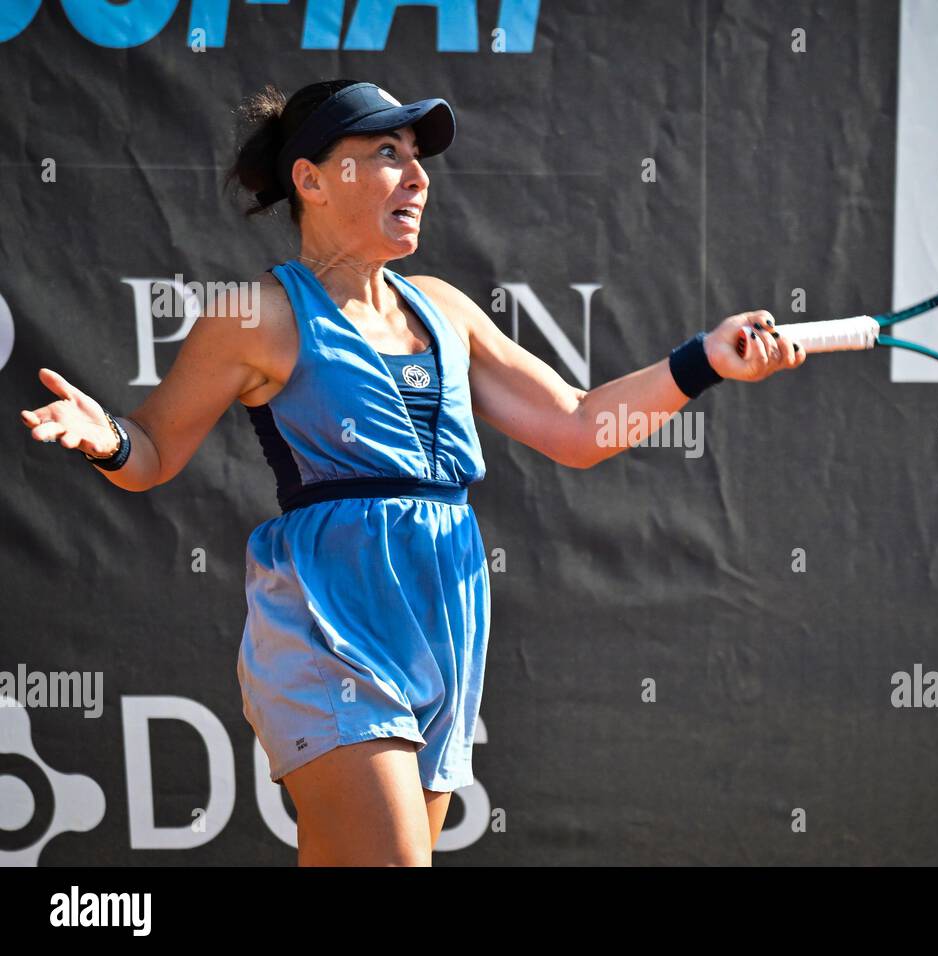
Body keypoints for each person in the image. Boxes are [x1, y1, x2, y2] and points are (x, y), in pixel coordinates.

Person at [18, 79, 806, 865]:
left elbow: (580, 428)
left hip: (445, 623)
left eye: (418, 157)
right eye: (387, 154)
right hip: (327, 627)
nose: (418, 176)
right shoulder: (255, 316)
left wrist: (702, 361)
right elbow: (152, 451)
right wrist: (109, 441)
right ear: (312, 180)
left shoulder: (444, 307)